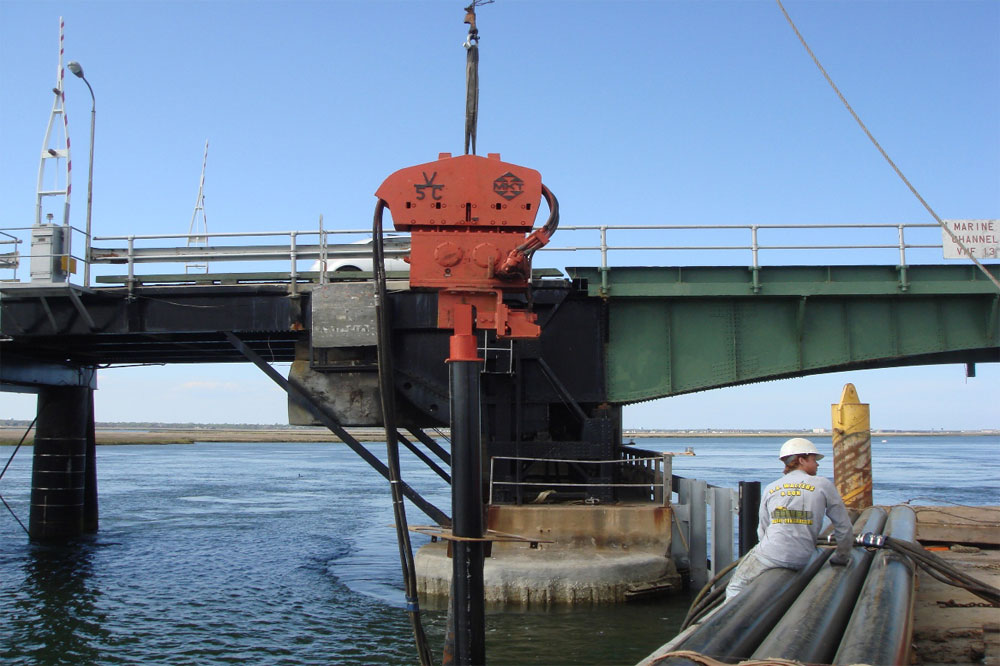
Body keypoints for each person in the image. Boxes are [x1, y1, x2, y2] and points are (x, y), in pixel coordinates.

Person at [725, 437, 854, 600]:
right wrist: (842, 557)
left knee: (736, 585)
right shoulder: (823, 485)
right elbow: (844, 527)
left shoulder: (772, 487)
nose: (818, 464)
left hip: (770, 555)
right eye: (814, 460)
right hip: (803, 558)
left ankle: (725, 618)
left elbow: (762, 529)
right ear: (801, 460)